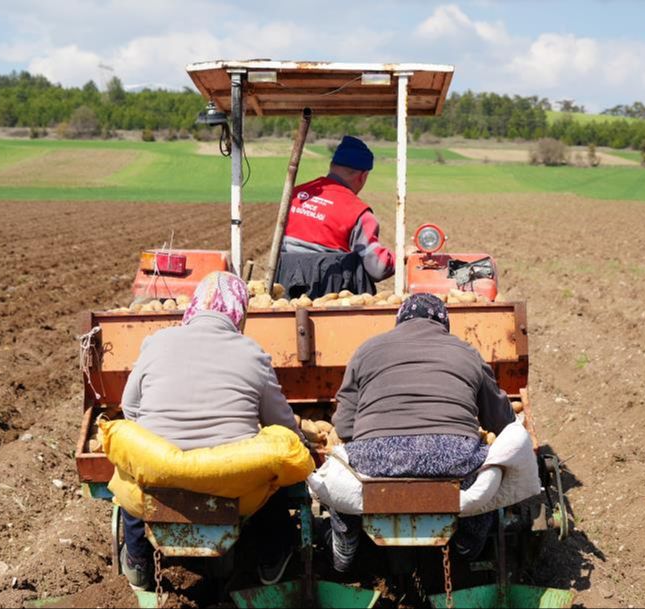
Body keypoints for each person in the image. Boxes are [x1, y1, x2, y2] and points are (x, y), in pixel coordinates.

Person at [119, 271, 308, 590]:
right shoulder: (253, 353)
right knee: (273, 470)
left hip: (160, 473)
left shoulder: (156, 343)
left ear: (192, 307)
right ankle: (272, 561)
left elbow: (130, 408)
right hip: (230, 482)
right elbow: (281, 426)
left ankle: (138, 562)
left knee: (132, 475)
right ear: (239, 312)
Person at [327, 293, 515, 572]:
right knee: (489, 468)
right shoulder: (467, 352)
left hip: (377, 460)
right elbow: (501, 420)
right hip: (453, 459)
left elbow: (343, 427)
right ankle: (468, 544)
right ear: (444, 323)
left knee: (337, 469)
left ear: (399, 320)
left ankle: (345, 544)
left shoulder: (367, 349)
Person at [277, 135, 395, 298]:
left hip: (284, 292)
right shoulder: (360, 213)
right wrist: (401, 257)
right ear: (363, 176)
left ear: (332, 166)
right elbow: (378, 268)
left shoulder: (293, 195)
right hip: (331, 298)